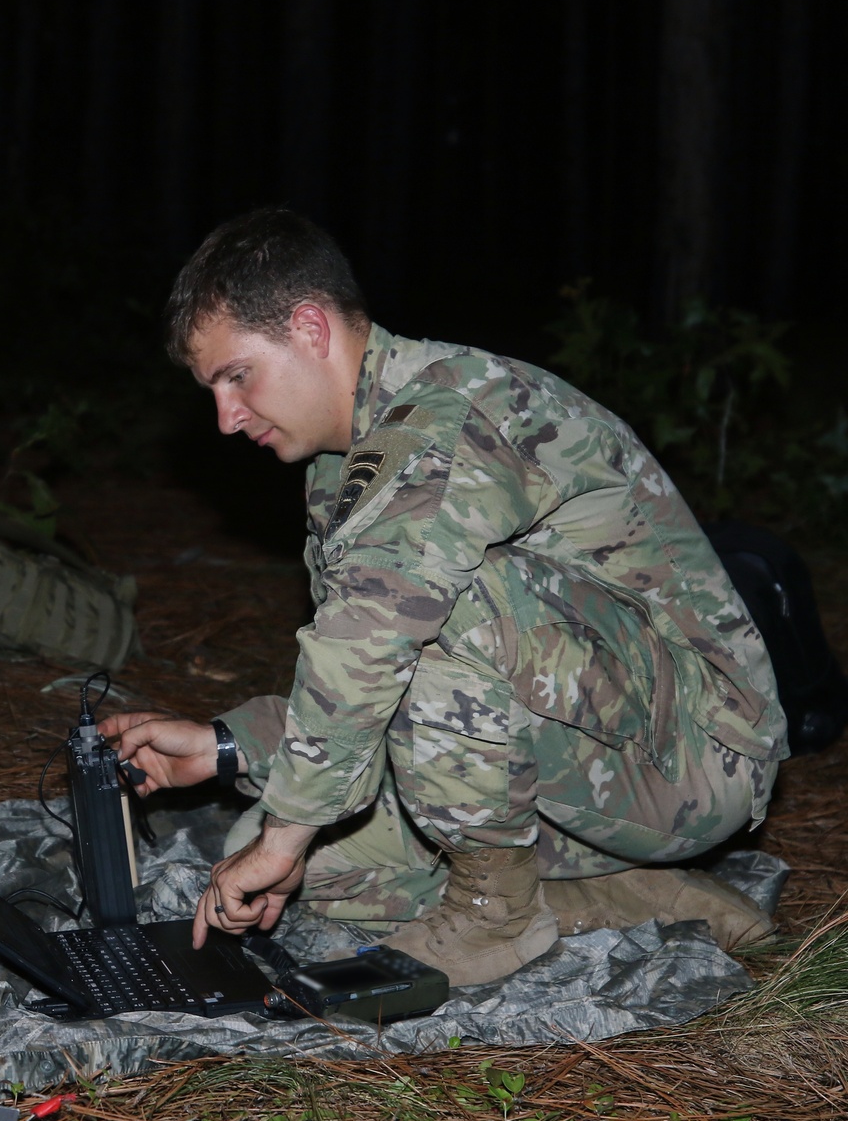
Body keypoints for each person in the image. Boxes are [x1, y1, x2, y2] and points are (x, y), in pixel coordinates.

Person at [100, 208, 788, 986]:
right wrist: (228, 747)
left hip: (696, 754)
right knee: (297, 863)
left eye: (237, 376)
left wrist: (288, 831)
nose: (226, 419)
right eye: (213, 391)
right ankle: (621, 896)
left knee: (433, 615)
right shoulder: (340, 466)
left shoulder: (443, 418)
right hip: (578, 748)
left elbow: (384, 639)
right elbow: (370, 683)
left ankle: (497, 911)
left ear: (310, 328)